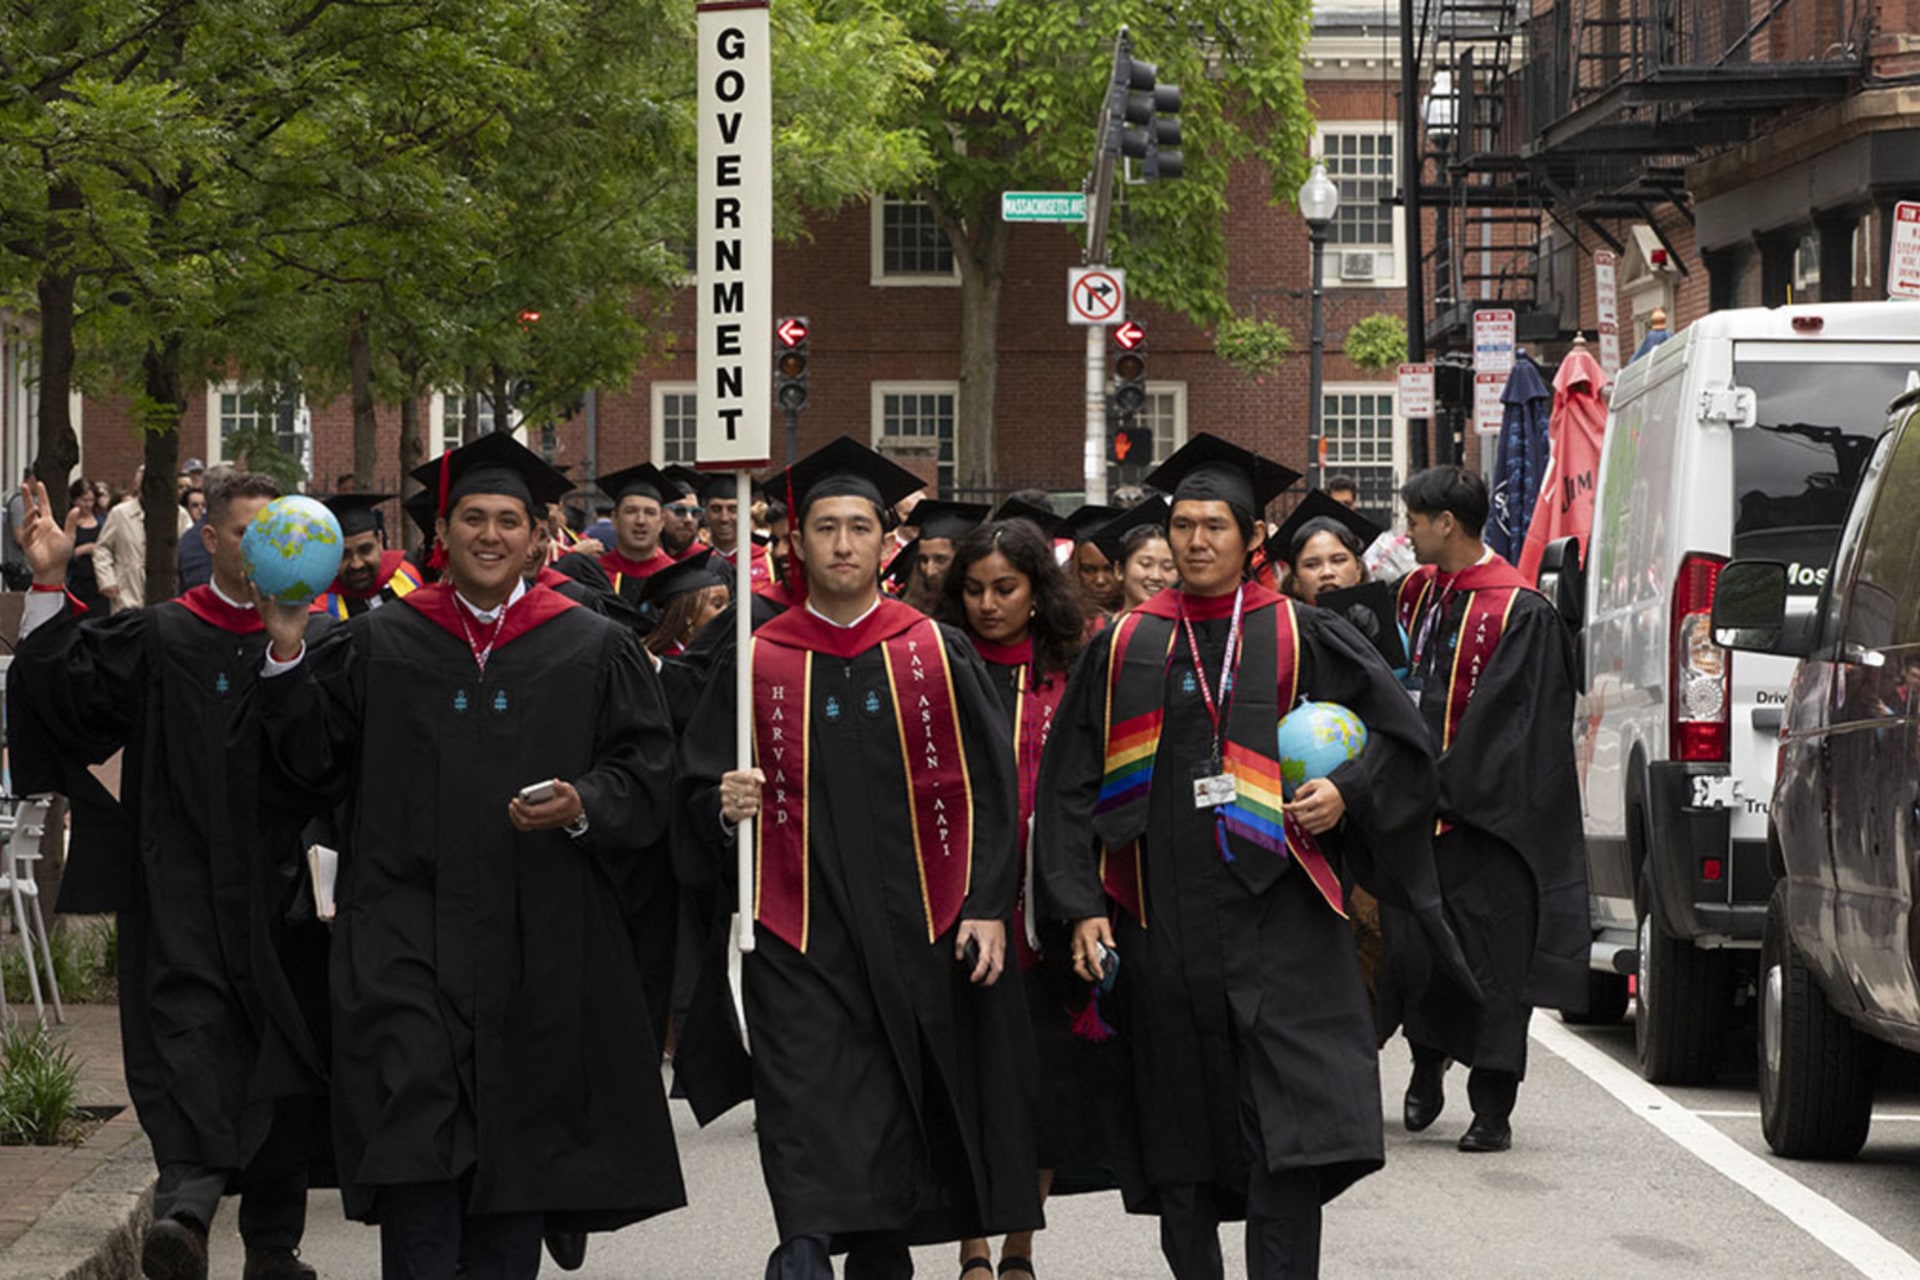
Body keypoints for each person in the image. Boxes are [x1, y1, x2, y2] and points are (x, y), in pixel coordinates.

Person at [248, 432, 686, 1278]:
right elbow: (306, 765)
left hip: (538, 939)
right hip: (402, 937)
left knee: (515, 1157)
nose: (490, 534)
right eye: (473, 518)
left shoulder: (590, 646)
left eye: (508, 521)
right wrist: (287, 650)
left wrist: (586, 802)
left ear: (538, 536)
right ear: (441, 535)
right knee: (415, 1141)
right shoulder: (382, 642)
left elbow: (647, 771)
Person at [1034, 434, 1468, 1280]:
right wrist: (1080, 904)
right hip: (1162, 922)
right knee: (1179, 1137)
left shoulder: (1299, 632)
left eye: (1215, 527)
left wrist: (1345, 789)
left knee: (1292, 1133)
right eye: (1183, 526)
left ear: (1252, 539)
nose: (1196, 542)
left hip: (1285, 921)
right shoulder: (1126, 645)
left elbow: (1402, 739)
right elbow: (1068, 787)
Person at [679, 436, 1039, 1280]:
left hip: (921, 927)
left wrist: (989, 904)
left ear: (887, 543)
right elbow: (691, 794)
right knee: (803, 1101)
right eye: (825, 528)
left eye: (859, 527)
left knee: (896, 1111)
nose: (843, 543)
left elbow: (993, 790)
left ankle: (877, 1257)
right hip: (797, 934)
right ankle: (803, 1246)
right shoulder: (757, 659)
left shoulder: (933, 650)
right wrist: (720, 804)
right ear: (795, 543)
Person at [9, 470, 330, 1280]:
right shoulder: (162, 636)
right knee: (190, 1038)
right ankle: (185, 1209)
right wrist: (49, 581)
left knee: (284, 1053)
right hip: (180, 880)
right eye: (250, 535)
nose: (267, 551)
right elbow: (66, 697)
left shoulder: (321, 642)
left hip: (286, 889)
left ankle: (272, 1245)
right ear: (210, 539)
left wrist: (288, 651)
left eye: (279, 535)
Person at [1389, 465, 1588, 1154]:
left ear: (1446, 523)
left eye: (1414, 521)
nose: (1407, 533)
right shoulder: (1417, 593)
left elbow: (1518, 728)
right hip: (1419, 814)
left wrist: (1447, 787)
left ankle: (1492, 1109)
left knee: (1495, 964)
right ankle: (1427, 1060)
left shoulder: (1519, 610)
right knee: (1421, 953)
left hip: (1493, 823)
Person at [935, 519, 1104, 1280]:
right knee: (976, 1084)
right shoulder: (939, 666)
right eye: (973, 590)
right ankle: (972, 1246)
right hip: (966, 898)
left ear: (1037, 592)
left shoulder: (1072, 668)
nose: (988, 604)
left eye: (1005, 588)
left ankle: (1019, 1249)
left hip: (1051, 903)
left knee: (1044, 1087)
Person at [309, 495, 425, 619]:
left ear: (379, 540)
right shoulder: (319, 603)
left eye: (365, 550)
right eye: (344, 554)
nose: (356, 564)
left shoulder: (412, 570)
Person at [95, 469, 192, 612]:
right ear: (137, 485)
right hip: (127, 595)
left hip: (167, 595)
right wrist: (107, 580)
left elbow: (189, 550)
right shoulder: (120, 513)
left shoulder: (179, 515)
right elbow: (103, 548)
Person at [595, 462, 681, 604]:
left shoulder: (675, 577)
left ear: (662, 522)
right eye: (631, 511)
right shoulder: (595, 575)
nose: (640, 521)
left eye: (650, 512)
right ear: (614, 519)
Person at [899, 499, 989, 613]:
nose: (929, 571)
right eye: (924, 560)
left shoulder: (982, 608)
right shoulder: (909, 609)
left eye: (940, 560)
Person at [640, 550, 731, 660]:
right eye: (718, 605)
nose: (727, 610)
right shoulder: (659, 661)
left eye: (728, 603)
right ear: (688, 615)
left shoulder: (726, 653)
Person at [1091, 497, 1174, 612]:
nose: (1156, 576)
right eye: (1146, 564)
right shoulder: (1097, 623)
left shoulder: (1187, 623)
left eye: (1168, 567)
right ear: (1119, 570)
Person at [701, 473, 772, 588]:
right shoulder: (696, 559)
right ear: (706, 514)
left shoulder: (767, 559)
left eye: (733, 509)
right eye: (716, 509)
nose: (724, 518)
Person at [1058, 504, 1125, 619]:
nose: (1100, 580)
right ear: (1075, 569)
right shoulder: (1063, 617)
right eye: (1089, 570)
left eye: (1109, 569)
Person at [64, 478, 107, 615]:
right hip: (76, 583)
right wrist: (81, 550)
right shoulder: (69, 523)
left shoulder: (103, 521)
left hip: (99, 582)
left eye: (91, 500)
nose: (88, 505)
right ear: (74, 500)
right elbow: (62, 556)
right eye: (84, 500)